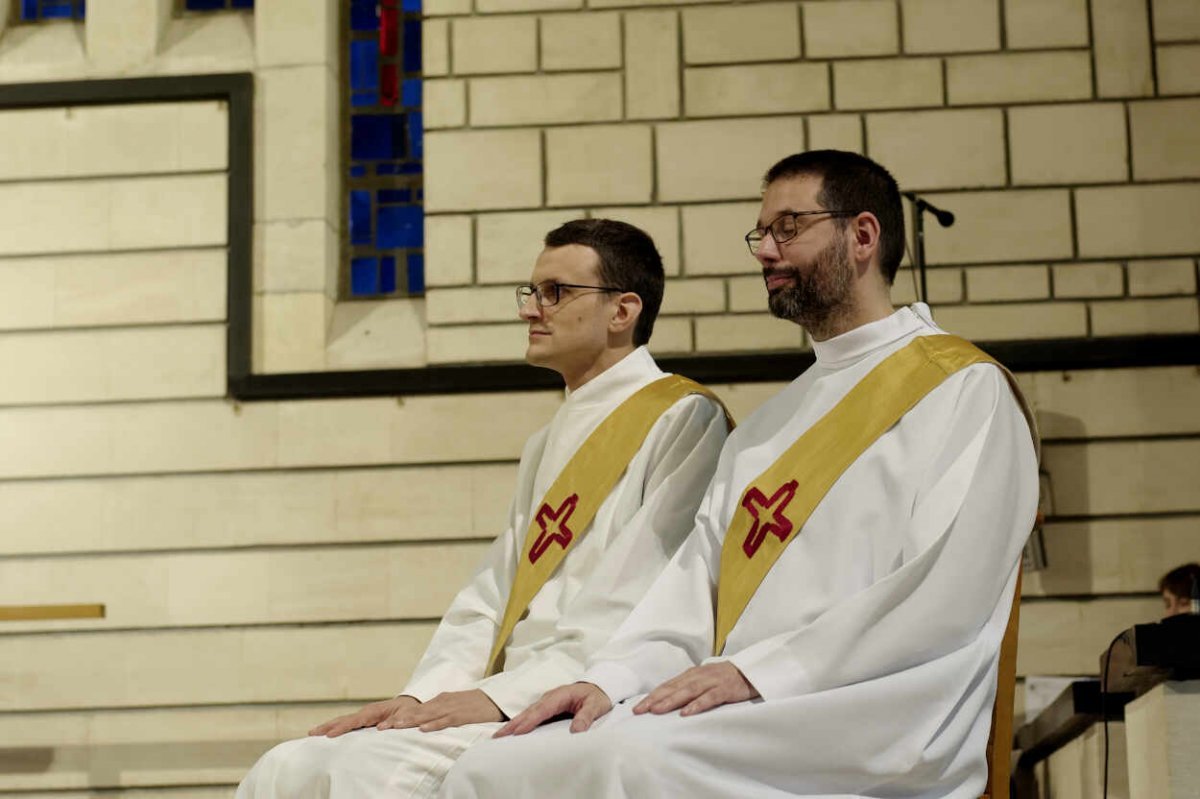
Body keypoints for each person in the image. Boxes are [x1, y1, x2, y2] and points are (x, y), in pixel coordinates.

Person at [438, 150, 1041, 799]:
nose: (765, 250)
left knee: (625, 763)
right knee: (487, 768)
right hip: (746, 705)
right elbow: (691, 593)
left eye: (789, 226)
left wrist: (760, 673)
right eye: (762, 232)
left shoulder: (961, 389)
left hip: (870, 716)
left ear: (862, 235)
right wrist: (609, 679)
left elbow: (942, 592)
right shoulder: (765, 428)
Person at [236, 219, 731, 798]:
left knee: (362, 774)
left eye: (556, 292)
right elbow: (492, 593)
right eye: (531, 292)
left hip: (580, 691)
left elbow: (646, 594)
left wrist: (499, 697)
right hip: (512, 686)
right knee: (289, 765)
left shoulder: (682, 417)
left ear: (623, 311)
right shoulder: (546, 441)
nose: (531, 310)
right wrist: (424, 695)